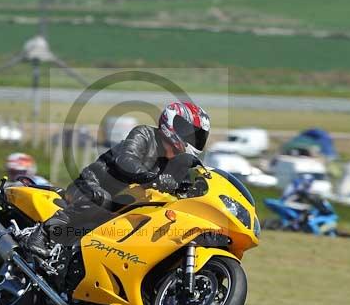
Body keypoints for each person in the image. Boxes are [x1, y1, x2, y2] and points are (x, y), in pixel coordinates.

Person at [21, 101, 211, 257]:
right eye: (189, 132)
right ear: (172, 123)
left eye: (197, 137)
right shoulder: (144, 134)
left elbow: (188, 182)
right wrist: (151, 176)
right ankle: (42, 234)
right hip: (90, 185)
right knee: (102, 200)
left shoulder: (179, 162)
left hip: (124, 202)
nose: (192, 140)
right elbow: (126, 159)